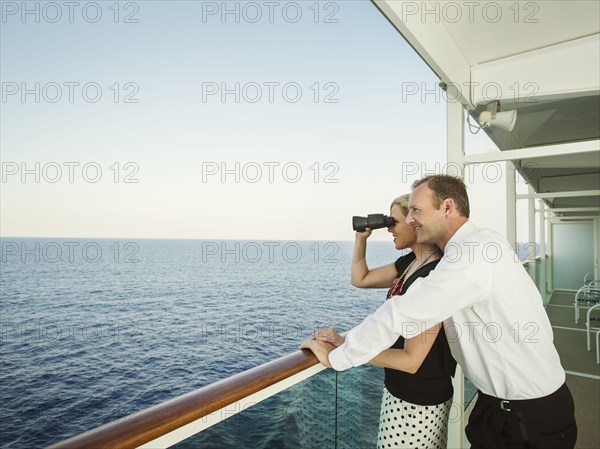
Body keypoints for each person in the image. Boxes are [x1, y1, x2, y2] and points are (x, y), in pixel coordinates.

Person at [301, 175, 577, 449]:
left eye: (416, 210)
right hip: (497, 405)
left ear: (447, 207)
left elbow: (404, 312)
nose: (409, 220)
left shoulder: (472, 253)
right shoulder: (470, 248)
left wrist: (339, 355)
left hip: (527, 417)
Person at [343, 194, 456, 448]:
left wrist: (348, 347)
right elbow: (360, 278)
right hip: (401, 390)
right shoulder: (410, 263)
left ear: (415, 222)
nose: (390, 228)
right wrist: (361, 239)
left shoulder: (433, 274)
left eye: (393, 222)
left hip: (419, 399)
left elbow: (412, 360)